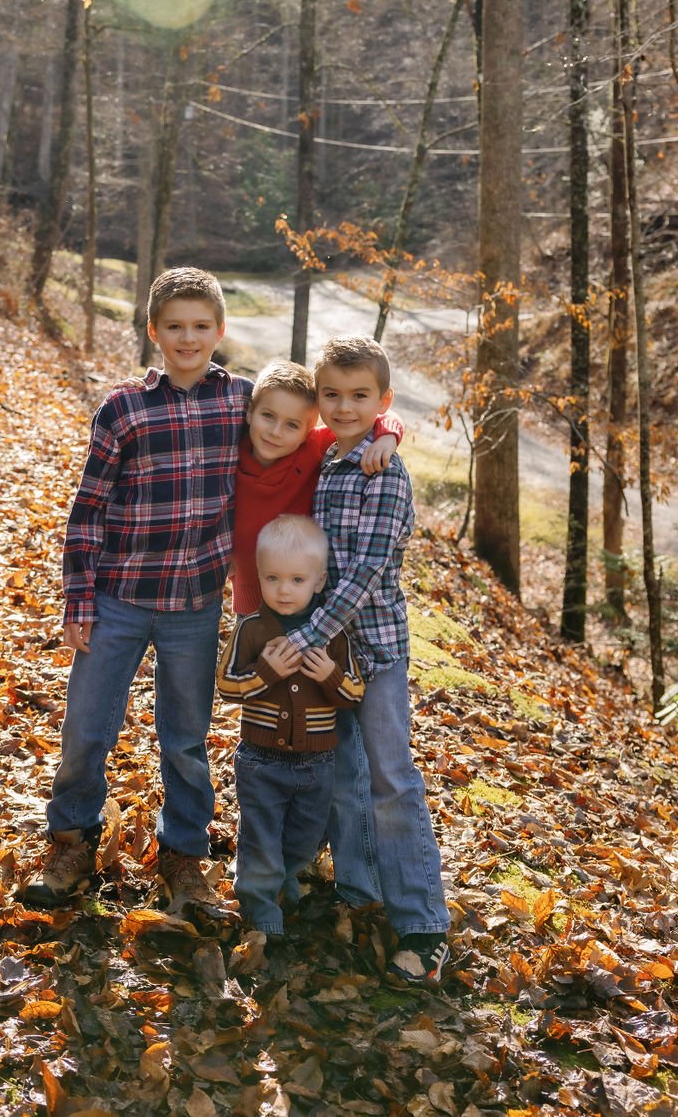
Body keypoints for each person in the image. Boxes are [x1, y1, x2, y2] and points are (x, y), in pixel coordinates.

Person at [23, 266, 252, 909]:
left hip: (195, 607)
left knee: (186, 738)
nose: (188, 337)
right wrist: (79, 600)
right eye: (175, 326)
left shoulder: (240, 401)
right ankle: (70, 843)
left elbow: (314, 425)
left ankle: (184, 857)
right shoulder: (124, 408)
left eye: (201, 326)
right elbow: (88, 508)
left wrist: (386, 431)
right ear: (155, 332)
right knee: (87, 729)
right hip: (120, 599)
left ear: (219, 330)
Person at [283, 334, 451, 987]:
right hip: (329, 653)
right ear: (319, 401)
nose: (345, 406)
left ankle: (423, 925)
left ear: (381, 403)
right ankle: (359, 890)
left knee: (391, 779)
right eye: (333, 395)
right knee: (342, 775)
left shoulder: (387, 475)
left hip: (373, 651)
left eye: (360, 397)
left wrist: (306, 637)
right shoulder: (324, 461)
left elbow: (360, 576)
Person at [217, 515, 364, 936]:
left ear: (318, 582)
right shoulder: (252, 629)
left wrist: (329, 676)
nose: (284, 589)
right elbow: (226, 684)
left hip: (317, 763)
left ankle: (286, 874)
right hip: (261, 762)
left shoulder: (333, 637)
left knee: (305, 835)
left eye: (297, 580)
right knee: (261, 836)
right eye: (273, 578)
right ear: (259, 578)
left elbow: (354, 694)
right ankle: (261, 909)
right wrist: (265, 672)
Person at [231, 359, 403, 616]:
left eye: (292, 424)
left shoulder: (313, 447)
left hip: (305, 594)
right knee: (249, 651)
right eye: (268, 416)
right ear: (250, 413)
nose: (276, 432)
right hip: (249, 593)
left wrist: (388, 436)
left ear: (308, 430)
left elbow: (379, 414)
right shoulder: (228, 454)